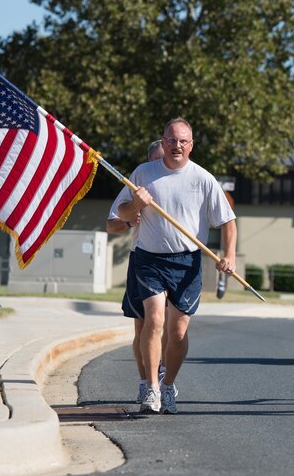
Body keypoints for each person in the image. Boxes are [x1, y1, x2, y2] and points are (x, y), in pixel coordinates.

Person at [116, 117, 237, 414]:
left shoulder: (203, 179)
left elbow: (228, 221)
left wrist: (229, 255)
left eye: (183, 141)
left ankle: (168, 384)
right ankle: (151, 389)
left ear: (191, 145)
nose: (176, 146)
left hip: (187, 261)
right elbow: (122, 211)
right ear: (163, 141)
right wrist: (137, 205)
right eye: (171, 140)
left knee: (178, 332)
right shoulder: (144, 173)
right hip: (149, 258)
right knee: (154, 320)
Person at [106, 139, 168, 405]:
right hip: (142, 259)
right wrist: (130, 219)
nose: (160, 166)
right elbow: (112, 224)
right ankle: (146, 381)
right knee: (144, 325)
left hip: (175, 261)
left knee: (169, 325)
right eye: (156, 160)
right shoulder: (137, 184)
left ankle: (164, 375)